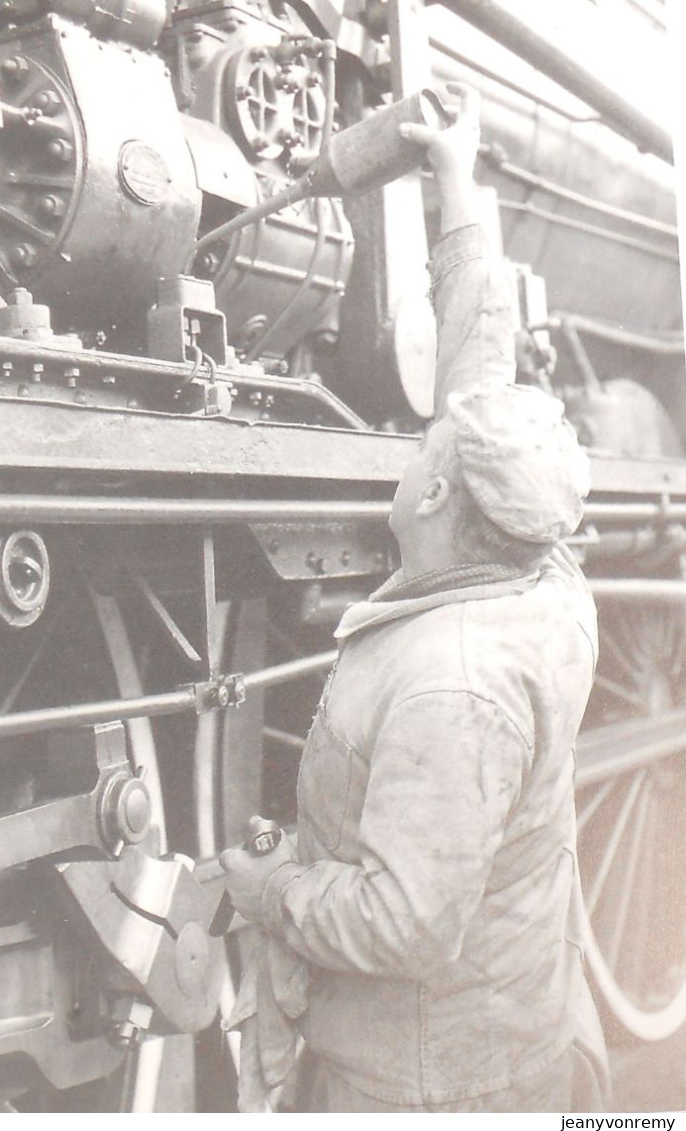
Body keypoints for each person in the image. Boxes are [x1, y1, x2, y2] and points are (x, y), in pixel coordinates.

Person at [219, 82, 610, 1113]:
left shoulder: (454, 685)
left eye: (422, 442)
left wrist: (267, 889)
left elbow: (402, 927)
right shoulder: (539, 565)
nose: (416, 435)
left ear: (436, 488)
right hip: (484, 1025)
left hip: (419, 1083)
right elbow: (476, 370)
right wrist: (455, 180)